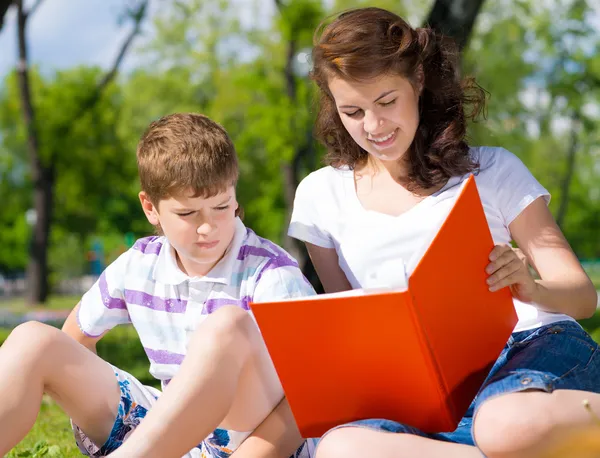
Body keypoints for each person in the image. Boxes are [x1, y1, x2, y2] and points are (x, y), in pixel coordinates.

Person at [288, 7, 600, 458]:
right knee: (341, 447)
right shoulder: (320, 196)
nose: (373, 127)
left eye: (387, 102)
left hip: (529, 351)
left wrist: (530, 287)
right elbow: (351, 322)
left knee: (503, 424)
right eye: (352, 111)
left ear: (416, 80)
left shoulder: (491, 170)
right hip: (420, 390)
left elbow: (582, 297)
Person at [0, 113, 316, 458]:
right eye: (187, 214)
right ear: (150, 207)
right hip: (165, 440)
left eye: (222, 207)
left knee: (228, 325)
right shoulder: (140, 264)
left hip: (250, 443)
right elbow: (75, 337)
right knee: (34, 339)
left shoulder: (272, 274)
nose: (208, 227)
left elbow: (311, 398)